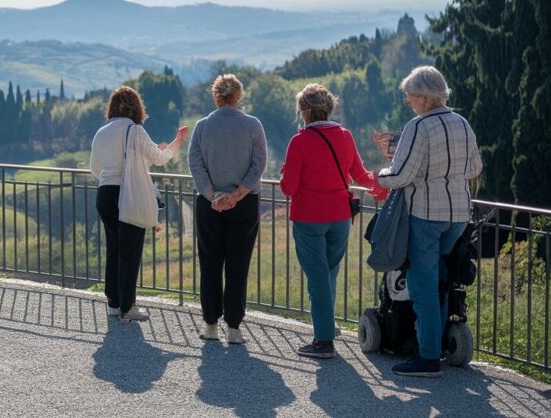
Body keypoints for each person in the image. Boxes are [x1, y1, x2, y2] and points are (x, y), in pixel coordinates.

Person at [377, 66, 482, 377]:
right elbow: (474, 167)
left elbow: (401, 174)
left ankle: (428, 357)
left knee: (422, 284)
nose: (408, 102)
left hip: (426, 213)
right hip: (459, 214)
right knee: (439, 279)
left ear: (424, 98)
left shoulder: (418, 127)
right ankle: (437, 343)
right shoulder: (462, 122)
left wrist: (380, 176)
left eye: (410, 96)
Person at [279, 84, 387, 359]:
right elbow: (361, 176)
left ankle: (323, 341)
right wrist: (386, 181)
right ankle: (327, 326)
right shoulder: (345, 136)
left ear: (303, 111)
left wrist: (283, 172)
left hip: (309, 218)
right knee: (329, 273)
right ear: (329, 108)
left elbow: (289, 188)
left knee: (317, 279)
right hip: (340, 216)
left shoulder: (299, 142)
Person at [90, 86, 188, 322]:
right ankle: (128, 307)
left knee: (114, 249)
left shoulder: (101, 133)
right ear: (137, 107)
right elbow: (159, 159)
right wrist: (176, 142)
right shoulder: (136, 131)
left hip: (105, 194)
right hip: (129, 195)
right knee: (130, 252)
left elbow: (95, 169)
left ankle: (113, 303)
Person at [188, 74, 266, 343]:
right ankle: (234, 328)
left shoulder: (202, 127)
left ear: (216, 95)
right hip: (244, 204)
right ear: (238, 95)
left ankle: (210, 326)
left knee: (210, 263)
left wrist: (213, 195)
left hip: (209, 205)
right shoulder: (253, 125)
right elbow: (259, 164)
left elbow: (195, 163)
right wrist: (238, 194)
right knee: (238, 264)